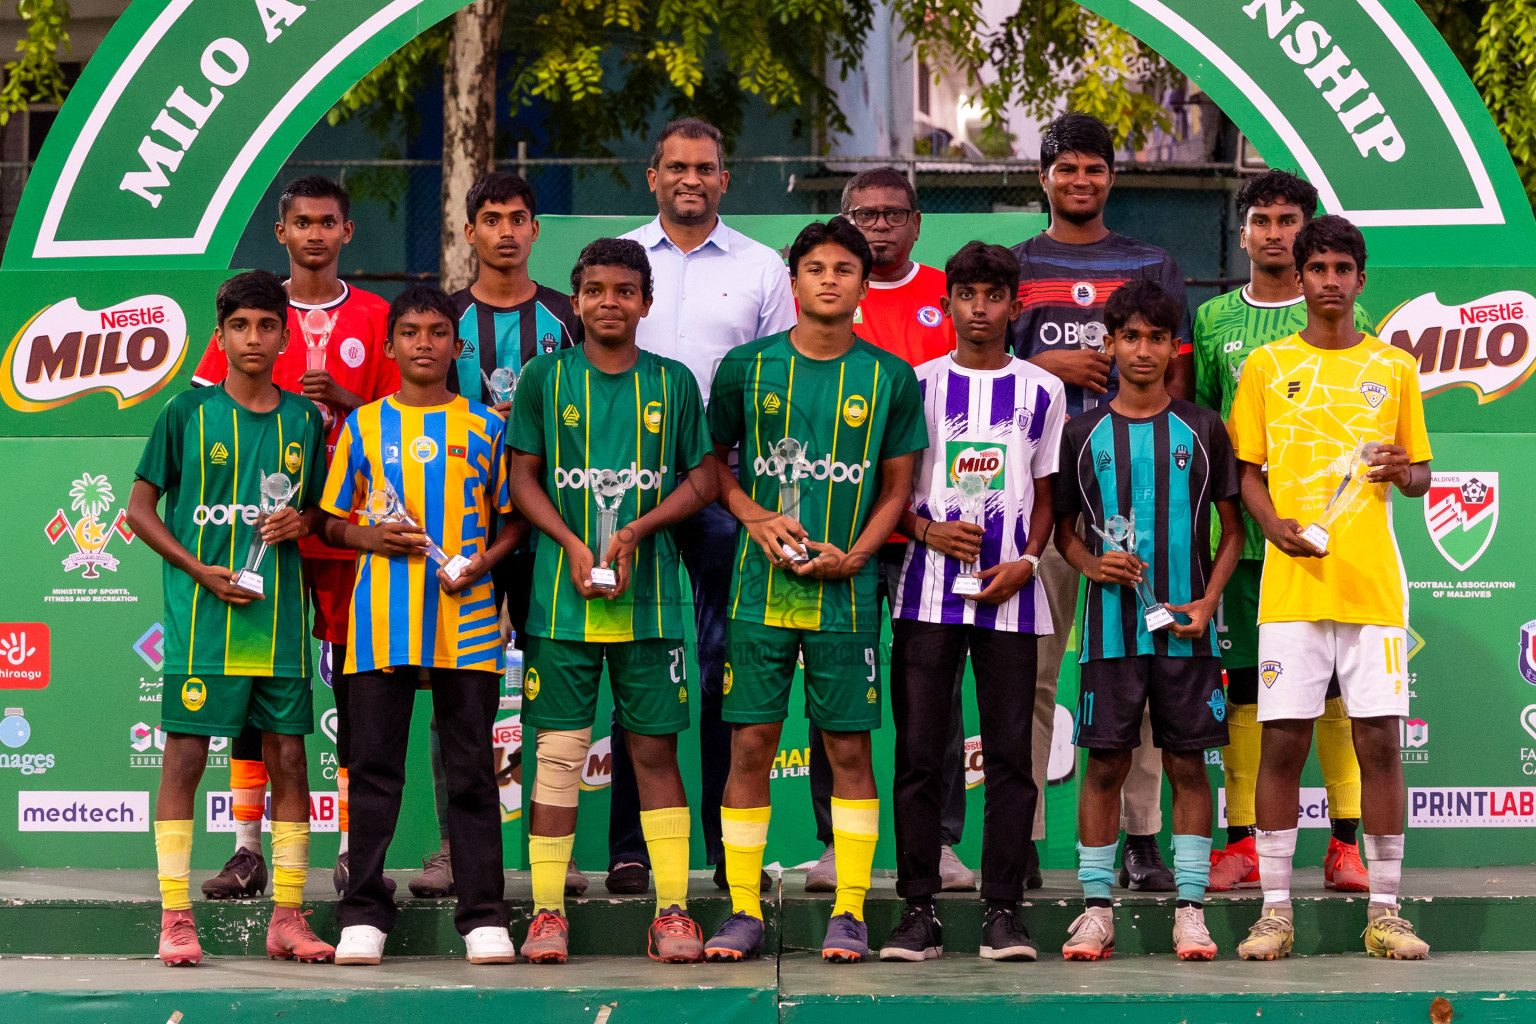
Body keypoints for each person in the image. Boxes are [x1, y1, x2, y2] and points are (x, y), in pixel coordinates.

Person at [701, 217, 926, 964]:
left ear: (865, 284)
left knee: (848, 749)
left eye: (845, 269)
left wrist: (857, 556)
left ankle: (851, 910)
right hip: (757, 590)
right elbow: (712, 463)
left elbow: (899, 487)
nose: (830, 279)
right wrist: (753, 514)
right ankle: (740, 910)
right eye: (815, 268)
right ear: (792, 281)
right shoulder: (746, 366)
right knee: (751, 745)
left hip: (845, 591)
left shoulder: (889, 376)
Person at [507, 238, 718, 964]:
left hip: (651, 599)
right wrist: (570, 541)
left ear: (645, 303)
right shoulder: (544, 378)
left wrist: (634, 530)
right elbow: (522, 476)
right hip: (561, 601)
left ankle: (671, 911)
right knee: (560, 754)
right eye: (594, 289)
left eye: (624, 291)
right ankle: (544, 914)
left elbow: (704, 480)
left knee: (654, 754)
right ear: (577, 298)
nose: (608, 302)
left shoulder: (673, 383)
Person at [1229, 216, 1432, 961]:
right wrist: (1272, 525)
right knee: (1282, 741)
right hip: (1291, 586)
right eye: (1318, 268)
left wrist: (1401, 473)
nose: (1330, 281)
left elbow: (1421, 476)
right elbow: (1245, 471)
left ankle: (1386, 912)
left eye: (1344, 268)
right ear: (1300, 277)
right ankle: (1274, 914)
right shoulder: (1263, 366)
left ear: (1360, 279)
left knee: (1379, 740)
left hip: (1372, 586)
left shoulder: (1394, 369)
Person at [190, 177, 397, 901]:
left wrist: (353, 403)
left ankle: (349, 848)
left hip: (345, 531)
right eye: (301, 222)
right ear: (281, 232)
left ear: (347, 231)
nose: (314, 234)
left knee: (352, 687)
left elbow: (406, 419)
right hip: (262, 540)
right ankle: (247, 848)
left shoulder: (375, 316)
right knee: (251, 688)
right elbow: (205, 412)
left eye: (328, 222)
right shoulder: (251, 311)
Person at [607, 117, 797, 896]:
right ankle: (627, 851)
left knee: (726, 665)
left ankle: (726, 854)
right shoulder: (621, 260)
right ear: (652, 176)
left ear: (726, 179)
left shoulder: (761, 268)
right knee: (632, 659)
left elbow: (780, 386)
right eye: (677, 167)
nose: (691, 179)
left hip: (725, 491)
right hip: (624, 493)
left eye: (707, 168)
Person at [127, 270, 334, 966]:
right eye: (240, 326)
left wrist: (298, 520)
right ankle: (175, 918)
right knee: (185, 761)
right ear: (221, 337)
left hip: (277, 626)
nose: (253, 337)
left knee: (292, 764)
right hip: (201, 622)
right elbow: (138, 509)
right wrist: (197, 570)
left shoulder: (306, 421)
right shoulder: (186, 413)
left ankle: (288, 917)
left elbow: (320, 514)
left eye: (266, 325)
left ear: (286, 334)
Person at [1009, 112, 1192, 890]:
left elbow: (1178, 376)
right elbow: (988, 368)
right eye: (1066, 168)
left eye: (1094, 168)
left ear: (1112, 176)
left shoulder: (1149, 261)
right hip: (1047, 495)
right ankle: (1018, 836)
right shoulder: (1015, 266)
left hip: (1139, 496)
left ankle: (1143, 840)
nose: (1080, 181)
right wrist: (1044, 360)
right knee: (1034, 675)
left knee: (1142, 670)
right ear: (1042, 176)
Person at [321, 285, 519, 967]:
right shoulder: (362, 427)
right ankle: (365, 914)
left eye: (438, 332)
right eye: (410, 332)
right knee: (373, 769)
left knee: (470, 773)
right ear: (391, 345)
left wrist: (483, 563)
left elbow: (513, 519)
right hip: (380, 624)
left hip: (466, 622)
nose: (425, 344)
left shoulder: (488, 429)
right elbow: (328, 520)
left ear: (457, 347)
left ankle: (484, 914)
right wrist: (372, 539)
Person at [879, 242, 1064, 964]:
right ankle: (918, 911)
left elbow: (1046, 496)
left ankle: (1003, 912)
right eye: (968, 295)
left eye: (994, 295)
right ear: (948, 302)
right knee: (923, 755)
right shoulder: (915, 384)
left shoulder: (1041, 390)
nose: (980, 309)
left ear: (1014, 304)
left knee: (1012, 757)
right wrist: (924, 529)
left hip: (1012, 597)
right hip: (927, 595)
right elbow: (892, 490)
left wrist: (1024, 561)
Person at [1192, 170, 1370, 893]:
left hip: (1330, 541)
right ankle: (1240, 844)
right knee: (1244, 691)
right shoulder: (1213, 323)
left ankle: (1345, 846)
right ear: (1243, 233)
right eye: (1261, 220)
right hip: (1242, 541)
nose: (1274, 232)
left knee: (1332, 693)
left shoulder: (1359, 319)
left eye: (1287, 219)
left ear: (1310, 230)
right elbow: (1206, 429)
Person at [1054, 280, 1241, 962]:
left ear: (1172, 348)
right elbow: (1064, 533)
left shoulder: (1202, 427)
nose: (1142, 350)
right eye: (1128, 336)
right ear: (1109, 343)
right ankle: (1096, 908)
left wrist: (1209, 601)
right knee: (1104, 763)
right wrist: (1090, 564)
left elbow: (1232, 534)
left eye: (1156, 338)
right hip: (1108, 635)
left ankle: (1190, 909)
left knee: (1188, 764)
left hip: (1186, 635)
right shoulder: (1081, 433)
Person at [411, 171, 584, 902]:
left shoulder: (571, 316)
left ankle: (556, 853)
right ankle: (455, 847)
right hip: (461, 540)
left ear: (536, 230)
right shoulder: (443, 318)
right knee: (461, 696)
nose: (507, 230)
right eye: (492, 218)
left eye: (519, 217)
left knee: (556, 694)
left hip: (549, 529)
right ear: (468, 230)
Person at [802, 167, 972, 896]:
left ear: (916, 223)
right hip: (843, 533)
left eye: (892, 214)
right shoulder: (829, 296)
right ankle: (839, 844)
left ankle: (938, 844)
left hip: (932, 529)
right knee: (834, 692)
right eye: (864, 214)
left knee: (929, 698)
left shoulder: (947, 292)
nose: (878, 226)